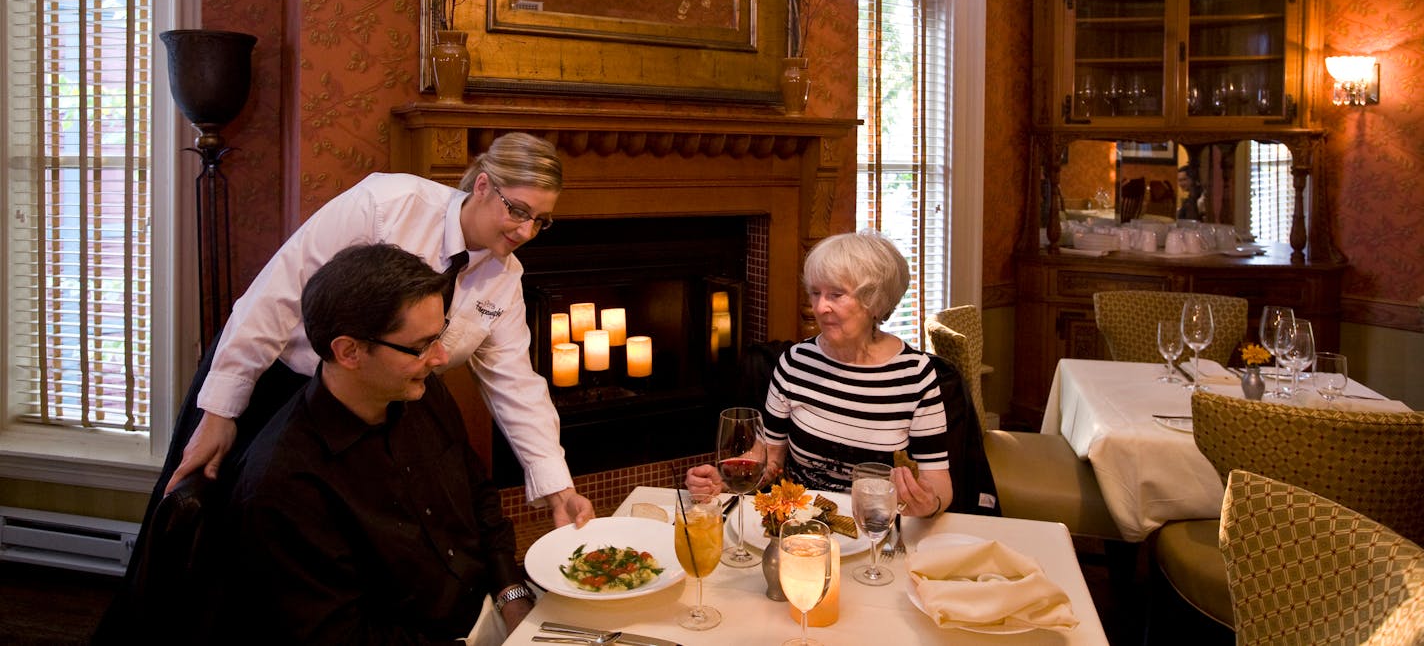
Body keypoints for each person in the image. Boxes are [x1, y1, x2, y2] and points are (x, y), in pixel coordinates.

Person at [163, 131, 593, 528]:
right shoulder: (387, 203)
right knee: (217, 528)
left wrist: (559, 489)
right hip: (276, 384)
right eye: (517, 210)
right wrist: (221, 411)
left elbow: (516, 384)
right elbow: (275, 297)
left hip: (369, 411)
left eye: (540, 220)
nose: (526, 230)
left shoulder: (503, 278)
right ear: (482, 185)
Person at [212, 243, 532, 643]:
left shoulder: (421, 391)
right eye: (420, 345)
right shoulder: (285, 484)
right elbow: (338, 635)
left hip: (490, 611)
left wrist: (513, 596)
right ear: (349, 351)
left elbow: (479, 493)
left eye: (440, 335)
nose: (440, 357)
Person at [688, 230, 951, 518]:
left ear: (874, 301)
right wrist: (724, 481)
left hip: (876, 526)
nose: (820, 307)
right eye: (815, 293)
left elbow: (937, 479)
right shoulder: (795, 362)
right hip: (803, 522)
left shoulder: (915, 375)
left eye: (836, 295)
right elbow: (771, 457)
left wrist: (930, 502)